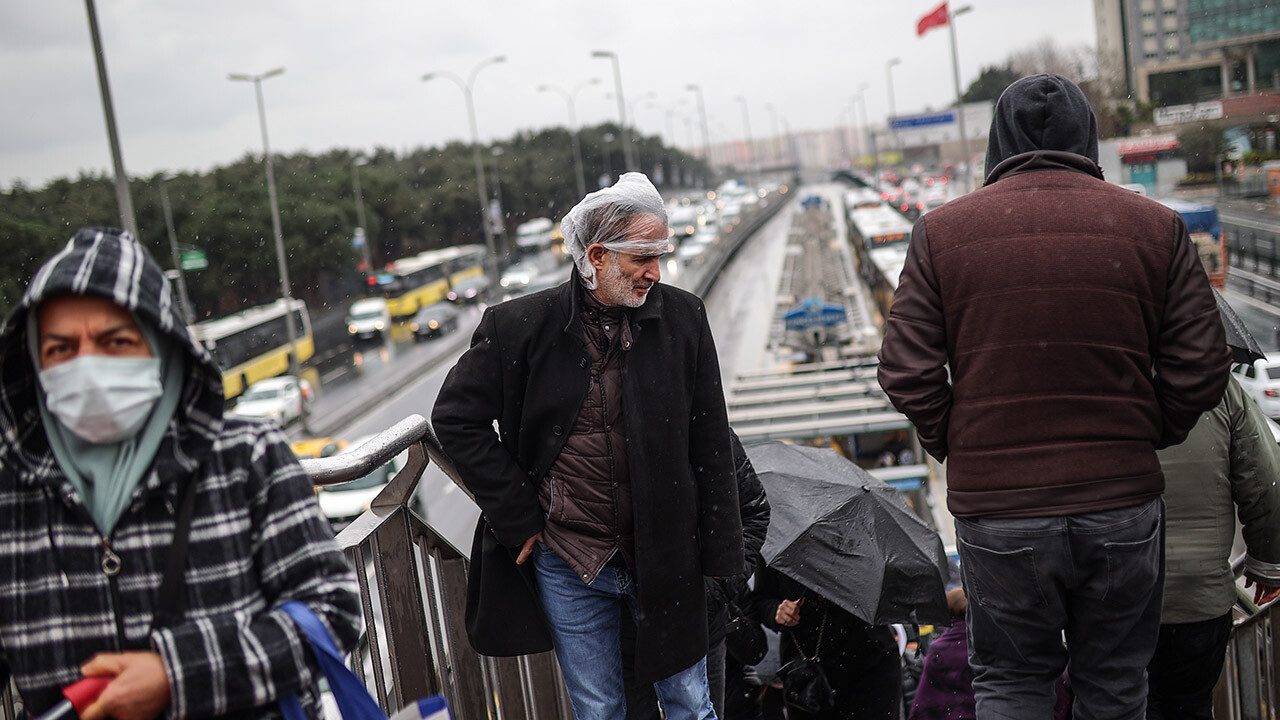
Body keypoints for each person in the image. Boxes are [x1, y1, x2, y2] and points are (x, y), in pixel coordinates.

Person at [877, 73, 1231, 719]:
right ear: (1090, 137)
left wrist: (960, 444)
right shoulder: (1155, 227)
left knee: (1011, 680)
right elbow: (1203, 363)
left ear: (995, 142)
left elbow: (905, 370)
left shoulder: (941, 233)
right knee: (1118, 682)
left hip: (999, 512)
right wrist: (1146, 431)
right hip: (1122, 504)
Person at [0, 227, 362, 719]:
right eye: (61, 348)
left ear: (161, 349)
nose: (86, 366)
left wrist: (178, 674)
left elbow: (332, 613)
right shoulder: (12, 494)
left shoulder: (246, 458)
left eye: (115, 340)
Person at [432, 172, 744, 720]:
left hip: (669, 553)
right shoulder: (519, 327)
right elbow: (456, 418)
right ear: (596, 255)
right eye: (641, 257)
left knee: (690, 704)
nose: (655, 271)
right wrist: (518, 516)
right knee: (599, 710)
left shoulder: (683, 318)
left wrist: (722, 560)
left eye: (660, 255)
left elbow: (711, 443)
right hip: (570, 561)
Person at [1149, 373, 1280, 719]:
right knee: (1189, 706)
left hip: (1115, 599)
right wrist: (1267, 563)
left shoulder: (1096, 380)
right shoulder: (1218, 385)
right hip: (1199, 598)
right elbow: (1265, 480)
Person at [624, 430, 771, 720]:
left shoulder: (702, 423)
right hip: (626, 628)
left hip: (700, 622)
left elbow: (754, 513)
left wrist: (712, 593)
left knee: (697, 709)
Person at [750, 564, 901, 720]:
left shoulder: (870, 543)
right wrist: (777, 612)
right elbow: (761, 598)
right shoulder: (779, 543)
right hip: (807, 671)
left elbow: (894, 591)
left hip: (869, 662)